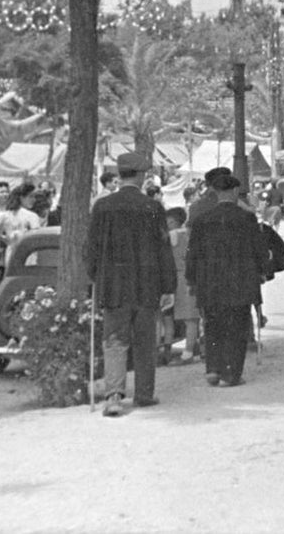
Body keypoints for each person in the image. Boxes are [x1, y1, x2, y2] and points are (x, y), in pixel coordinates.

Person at [86, 152, 177, 417]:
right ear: (140, 175)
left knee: (114, 340)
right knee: (145, 340)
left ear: (120, 174)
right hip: (146, 285)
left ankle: (113, 395)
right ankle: (144, 393)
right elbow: (163, 249)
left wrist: (95, 276)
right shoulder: (152, 207)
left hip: (113, 286)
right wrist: (168, 286)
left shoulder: (102, 207)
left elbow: (91, 248)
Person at [186, 170, 270, 388]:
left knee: (213, 325)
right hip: (239, 282)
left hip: (209, 282)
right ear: (234, 191)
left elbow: (193, 253)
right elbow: (259, 249)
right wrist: (263, 271)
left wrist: (191, 280)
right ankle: (230, 373)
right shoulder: (246, 218)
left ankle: (212, 369)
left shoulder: (202, 220)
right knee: (236, 327)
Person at [165, 207, 199, 364]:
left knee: (188, 317)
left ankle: (188, 352)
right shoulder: (190, 235)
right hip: (190, 275)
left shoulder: (173, 236)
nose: (168, 224)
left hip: (180, 276)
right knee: (192, 316)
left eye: (170, 221)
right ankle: (193, 348)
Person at [0, 182, 43, 266]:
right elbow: (36, 239)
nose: (34, 200)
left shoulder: (5, 215)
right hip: (28, 257)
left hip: (11, 255)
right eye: (31, 196)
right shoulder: (32, 216)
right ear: (21, 197)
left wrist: (5, 239)